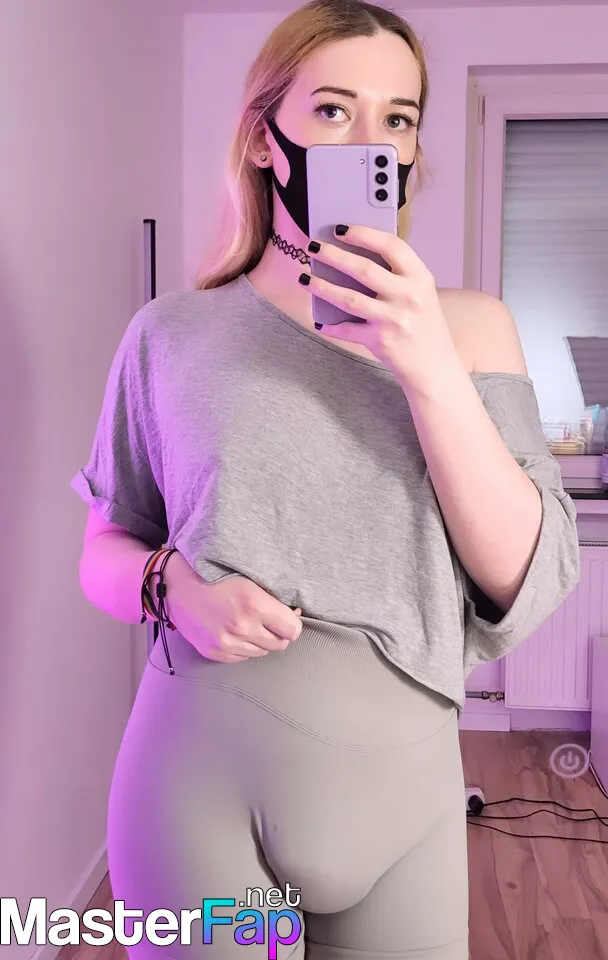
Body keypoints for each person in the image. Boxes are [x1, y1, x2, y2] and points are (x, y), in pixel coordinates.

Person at [72, 1, 580, 957]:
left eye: (398, 118)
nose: (369, 139)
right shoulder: (170, 335)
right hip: (196, 782)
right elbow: (102, 554)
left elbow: (525, 576)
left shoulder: (473, 329)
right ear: (266, 140)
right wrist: (173, 589)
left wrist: (426, 364)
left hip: (407, 795)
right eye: (334, 110)